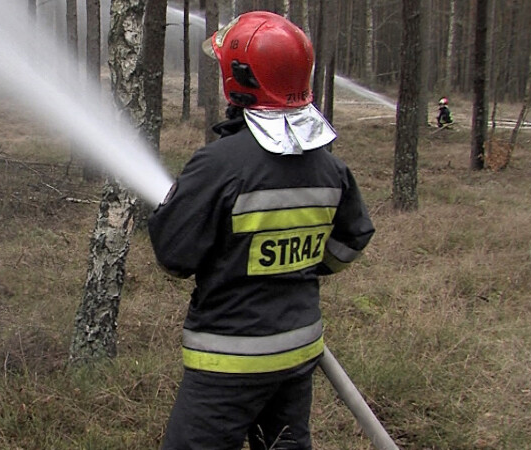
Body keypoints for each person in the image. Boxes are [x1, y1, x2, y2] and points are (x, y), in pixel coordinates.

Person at [148, 11, 375, 450]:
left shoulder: (218, 165)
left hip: (227, 362)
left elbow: (174, 258)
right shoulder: (331, 167)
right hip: (298, 353)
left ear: (239, 80)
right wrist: (299, 264)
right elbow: (351, 241)